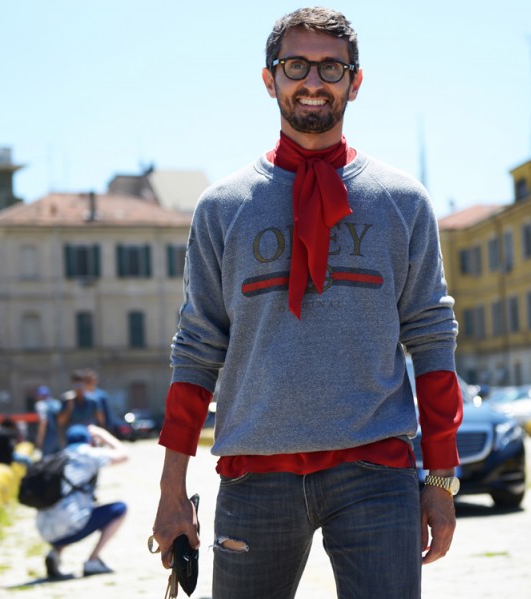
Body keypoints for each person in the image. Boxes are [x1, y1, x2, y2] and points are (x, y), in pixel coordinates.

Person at [150, 8, 462, 598]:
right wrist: (171, 493)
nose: (313, 82)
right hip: (253, 477)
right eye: (296, 65)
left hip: (377, 474)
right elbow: (195, 353)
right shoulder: (222, 207)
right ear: (269, 79)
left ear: (356, 81)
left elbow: (432, 341)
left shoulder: (403, 202)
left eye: (330, 67)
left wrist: (440, 482)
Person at [36, 424, 128, 579]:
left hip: (45, 530)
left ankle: (55, 552)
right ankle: (93, 560)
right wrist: (103, 434)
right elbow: (124, 455)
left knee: (69, 510)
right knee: (120, 509)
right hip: (71, 526)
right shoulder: (89, 454)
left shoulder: (58, 457)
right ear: (88, 440)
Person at [83, 370, 115, 434]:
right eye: (88, 380)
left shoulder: (101, 395)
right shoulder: (81, 395)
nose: (90, 382)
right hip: (84, 425)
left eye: (92, 380)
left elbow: (106, 412)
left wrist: (108, 427)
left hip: (98, 426)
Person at [35, 385, 62, 456]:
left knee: (47, 463)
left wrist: (39, 440)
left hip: (48, 438)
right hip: (59, 437)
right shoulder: (57, 403)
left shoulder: (41, 405)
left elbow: (43, 422)